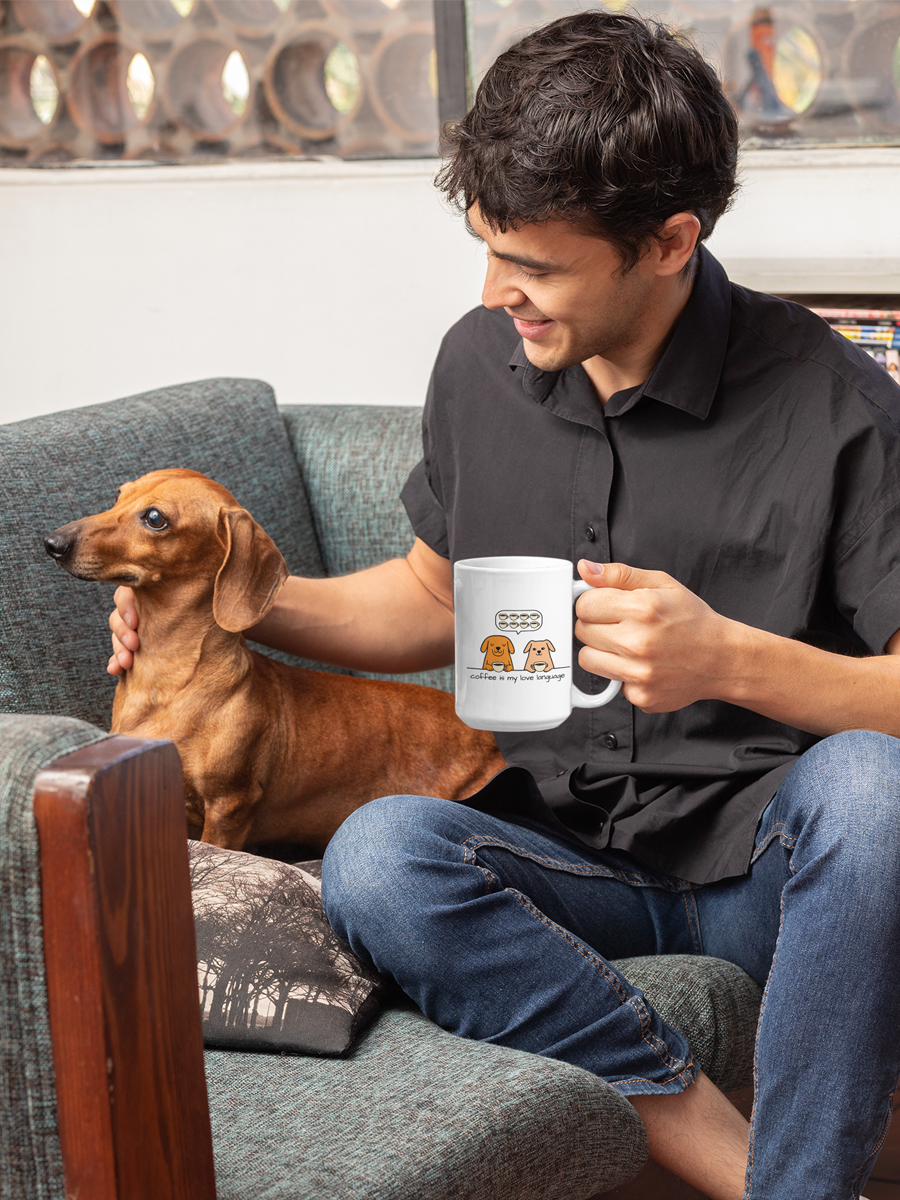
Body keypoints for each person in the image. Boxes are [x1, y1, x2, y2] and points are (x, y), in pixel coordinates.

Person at [109, 12, 900, 1199]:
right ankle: (741, 1164)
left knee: (876, 791)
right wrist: (227, 602)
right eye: (487, 251)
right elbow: (431, 595)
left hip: (768, 877)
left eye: (535, 266)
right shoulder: (482, 366)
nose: (496, 294)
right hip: (560, 857)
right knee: (381, 855)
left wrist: (727, 658)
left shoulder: (835, 403)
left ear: (669, 242)